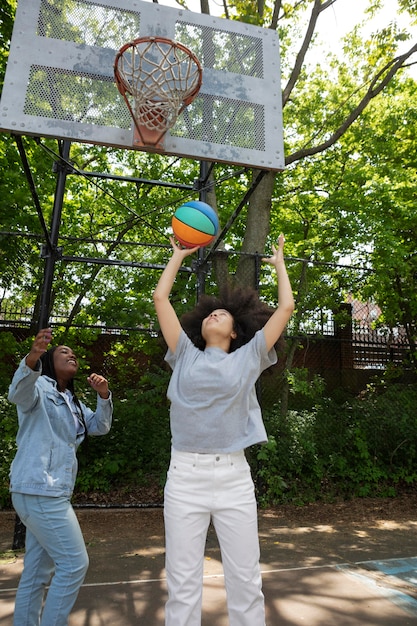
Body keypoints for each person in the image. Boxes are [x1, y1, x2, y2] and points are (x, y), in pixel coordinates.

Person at [153, 234, 294, 626]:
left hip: (233, 477)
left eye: (224, 315)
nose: (215, 315)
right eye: (210, 314)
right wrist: (178, 256)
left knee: (246, 579)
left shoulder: (249, 357)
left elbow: (286, 308)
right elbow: (161, 300)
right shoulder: (184, 354)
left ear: (235, 332)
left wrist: (280, 265)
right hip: (185, 477)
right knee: (181, 581)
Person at [8, 328, 113, 626]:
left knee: (37, 572)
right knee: (74, 564)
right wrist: (33, 357)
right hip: (41, 488)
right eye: (63, 351)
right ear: (50, 362)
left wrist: (103, 396)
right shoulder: (38, 387)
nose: (71, 355)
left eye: (73, 353)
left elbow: (99, 427)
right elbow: (17, 393)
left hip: (44, 492)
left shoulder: (73, 402)